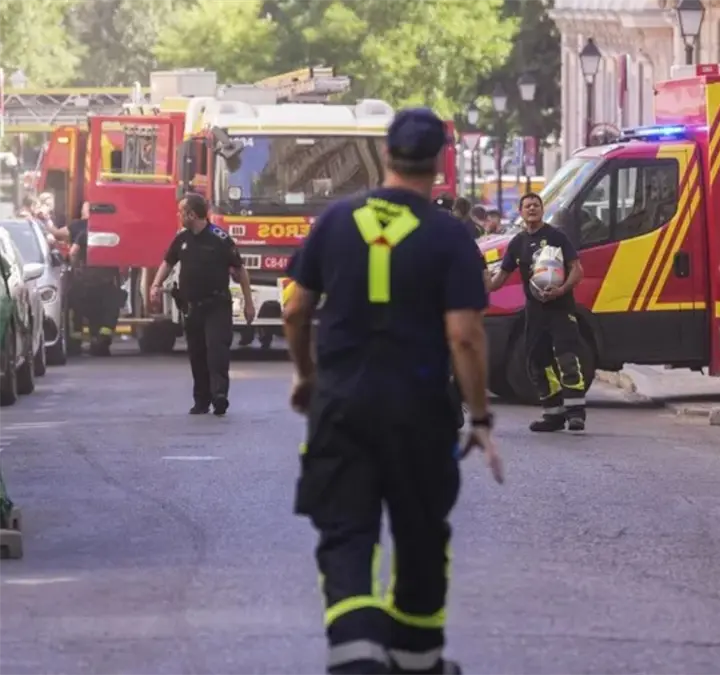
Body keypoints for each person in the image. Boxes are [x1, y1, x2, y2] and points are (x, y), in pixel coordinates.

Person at [282, 106, 502, 675]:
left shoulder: (335, 220)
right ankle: (418, 661)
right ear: (438, 163)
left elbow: (296, 308)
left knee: (347, 535)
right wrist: (479, 417)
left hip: (340, 407)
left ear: (386, 156)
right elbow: (464, 335)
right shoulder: (449, 235)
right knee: (421, 534)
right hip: (418, 414)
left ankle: (357, 661)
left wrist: (306, 376)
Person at [487, 192, 587, 431]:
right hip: (535, 312)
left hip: (561, 308)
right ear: (521, 213)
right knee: (537, 362)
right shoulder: (517, 243)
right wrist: (478, 285)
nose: (532, 209)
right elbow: (500, 277)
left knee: (567, 359)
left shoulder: (557, 237)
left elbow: (577, 270)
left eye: (536, 205)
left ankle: (576, 413)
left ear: (542, 210)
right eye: (527, 206)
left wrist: (561, 290)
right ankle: (553, 414)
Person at [149, 193, 255, 415]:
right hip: (191, 306)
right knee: (197, 354)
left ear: (192, 214)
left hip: (217, 305)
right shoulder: (182, 239)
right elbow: (168, 262)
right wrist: (156, 285)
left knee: (217, 350)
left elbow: (240, 270)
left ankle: (219, 396)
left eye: (181, 211)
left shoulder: (220, 238)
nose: (178, 215)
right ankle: (201, 400)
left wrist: (248, 303)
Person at [67, 202, 124, 356]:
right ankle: (101, 342)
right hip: (106, 282)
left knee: (78, 309)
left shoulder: (85, 233)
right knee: (106, 313)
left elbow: (73, 252)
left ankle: (77, 343)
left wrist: (75, 268)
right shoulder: (113, 233)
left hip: (85, 280)